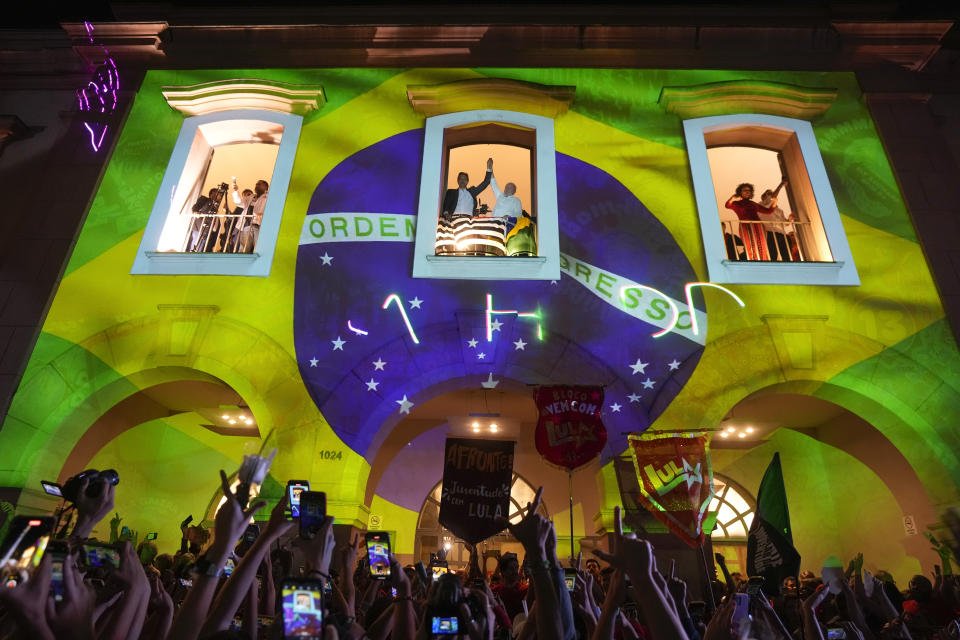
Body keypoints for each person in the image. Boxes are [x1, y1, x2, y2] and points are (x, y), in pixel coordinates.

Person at [724, 182, 775, 261]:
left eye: (749, 190)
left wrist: (775, 201)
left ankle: (763, 261)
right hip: (746, 226)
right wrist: (733, 198)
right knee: (750, 245)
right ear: (740, 192)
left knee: (761, 245)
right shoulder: (736, 203)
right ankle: (753, 261)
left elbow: (768, 211)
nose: (747, 192)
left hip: (758, 226)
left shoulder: (753, 203)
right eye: (745, 190)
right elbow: (727, 205)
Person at [758, 178, 798, 262]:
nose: (771, 194)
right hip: (770, 233)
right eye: (768, 194)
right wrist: (780, 186)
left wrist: (789, 219)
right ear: (764, 197)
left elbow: (785, 224)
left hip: (782, 234)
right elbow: (772, 198)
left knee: (787, 257)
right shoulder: (761, 205)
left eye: (771, 193)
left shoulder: (780, 210)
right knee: (772, 256)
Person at [232, 179, 269, 253]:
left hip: (259, 226)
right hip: (247, 226)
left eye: (259, 184)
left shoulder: (268, 197)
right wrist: (236, 191)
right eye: (256, 184)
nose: (256, 186)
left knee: (258, 248)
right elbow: (239, 202)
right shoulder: (251, 197)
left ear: (265, 187)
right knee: (244, 249)